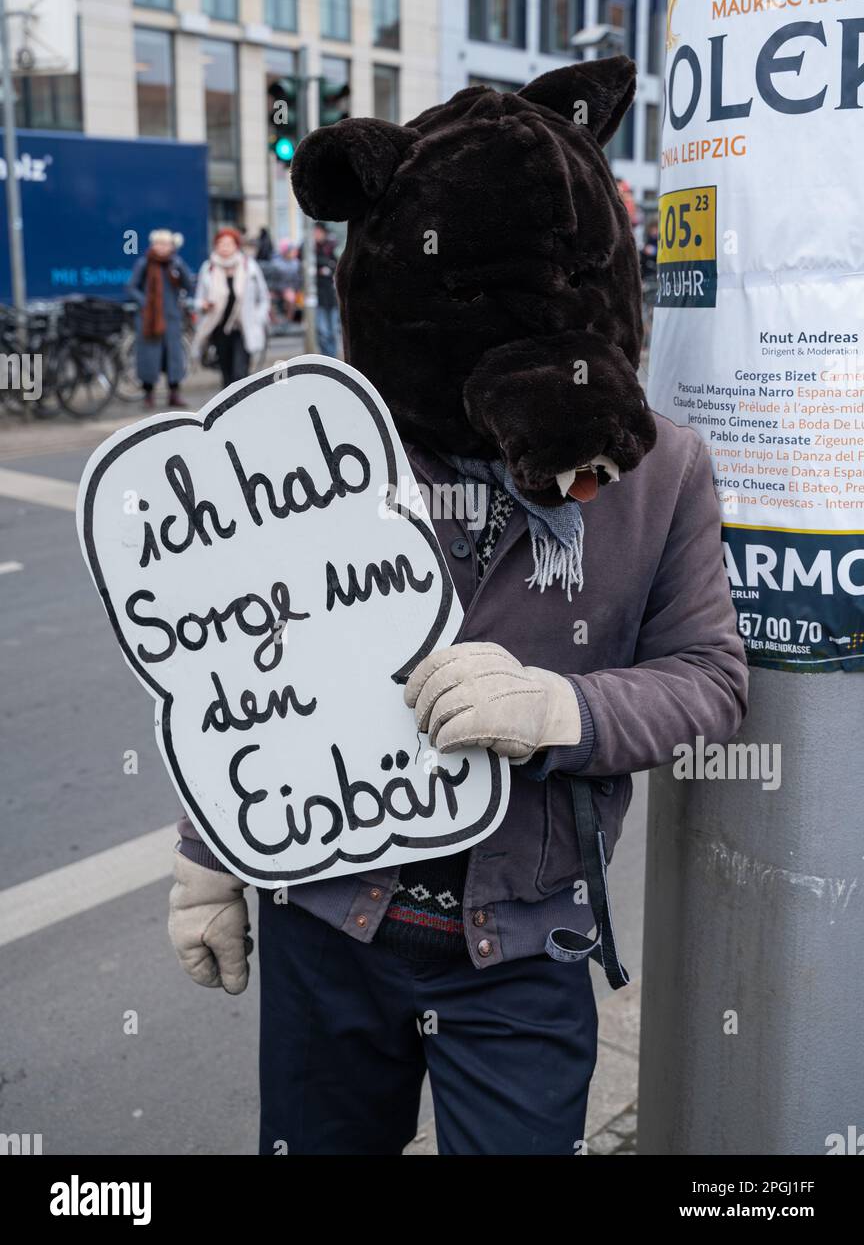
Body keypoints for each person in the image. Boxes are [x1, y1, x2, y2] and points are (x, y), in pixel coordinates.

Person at [167, 59, 748, 1156]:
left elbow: (710, 677)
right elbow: (248, 657)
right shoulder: (328, 450)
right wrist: (209, 853)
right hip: (328, 920)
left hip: (522, 950)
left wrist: (564, 711)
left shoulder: (662, 470)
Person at [192, 226, 270, 388]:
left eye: (229, 243)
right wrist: (204, 305)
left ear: (236, 245)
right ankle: (228, 409)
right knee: (226, 374)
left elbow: (263, 297)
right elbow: (198, 300)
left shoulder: (250, 267)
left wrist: (259, 318)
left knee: (240, 374)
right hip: (218, 328)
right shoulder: (208, 268)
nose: (225, 247)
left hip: (243, 328)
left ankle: (243, 407)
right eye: (221, 243)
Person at [126, 229, 194, 410]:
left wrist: (179, 267)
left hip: (171, 320)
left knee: (173, 358)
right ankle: (148, 395)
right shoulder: (144, 264)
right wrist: (145, 302)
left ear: (171, 246)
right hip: (149, 320)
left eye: (165, 244)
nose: (161, 247)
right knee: (149, 358)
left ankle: (174, 394)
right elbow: (131, 287)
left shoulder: (175, 264)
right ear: (152, 245)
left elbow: (189, 285)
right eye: (158, 243)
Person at [312, 222, 341, 357]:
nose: (316, 235)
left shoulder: (331, 248)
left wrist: (327, 267)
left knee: (333, 331)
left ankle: (332, 359)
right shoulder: (311, 249)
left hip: (331, 297)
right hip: (318, 297)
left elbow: (334, 266)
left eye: (318, 232)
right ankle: (327, 358)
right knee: (323, 331)